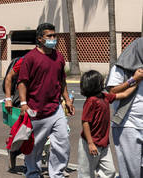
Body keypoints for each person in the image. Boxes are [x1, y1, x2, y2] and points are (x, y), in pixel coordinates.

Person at [17, 23, 74, 178]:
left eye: (54, 36)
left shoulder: (59, 57)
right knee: (34, 148)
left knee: (63, 143)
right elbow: (22, 82)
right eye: (49, 36)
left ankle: (57, 174)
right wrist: (23, 103)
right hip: (36, 111)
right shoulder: (30, 58)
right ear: (40, 38)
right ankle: (33, 173)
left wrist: (67, 100)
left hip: (56, 109)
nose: (53, 39)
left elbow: (62, 81)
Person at [78, 70, 134, 178]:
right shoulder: (91, 101)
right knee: (85, 174)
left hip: (103, 144)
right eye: (101, 80)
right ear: (95, 84)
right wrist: (90, 143)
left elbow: (124, 94)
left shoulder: (104, 97)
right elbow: (85, 122)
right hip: (89, 144)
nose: (103, 82)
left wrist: (135, 80)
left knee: (110, 172)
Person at [107, 38, 143, 178]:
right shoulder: (121, 66)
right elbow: (112, 92)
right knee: (130, 170)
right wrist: (134, 79)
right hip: (128, 123)